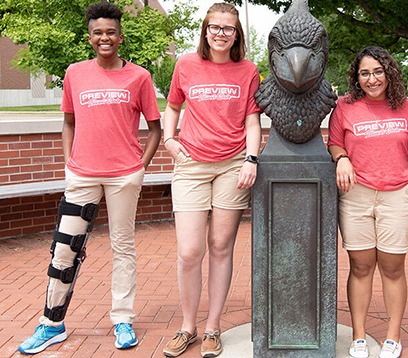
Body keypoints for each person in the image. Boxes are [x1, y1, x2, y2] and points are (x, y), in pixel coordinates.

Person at [17, 1, 162, 354]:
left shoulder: (139, 77)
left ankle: (123, 319)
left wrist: (139, 167)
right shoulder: (75, 73)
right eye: (98, 32)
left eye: (111, 32)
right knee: (63, 250)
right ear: (90, 37)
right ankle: (52, 324)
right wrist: (70, 162)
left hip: (124, 176)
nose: (104, 38)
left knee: (122, 247)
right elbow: (68, 122)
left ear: (120, 37)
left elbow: (155, 129)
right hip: (81, 175)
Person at [161, 3, 261, 357]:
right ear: (205, 30)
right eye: (214, 28)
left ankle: (212, 328)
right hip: (190, 165)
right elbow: (173, 106)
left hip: (233, 165)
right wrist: (170, 141)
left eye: (228, 29)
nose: (221, 34)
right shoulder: (186, 64)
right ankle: (187, 326)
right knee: (189, 251)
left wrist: (251, 158)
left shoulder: (248, 70)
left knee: (221, 247)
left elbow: (252, 119)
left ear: (237, 34)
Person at [328, 46, 408, 358]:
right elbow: (335, 142)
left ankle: (393, 337)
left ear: (389, 72)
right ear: (357, 77)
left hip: (398, 194)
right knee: (361, 266)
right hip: (356, 195)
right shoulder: (345, 106)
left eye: (378, 71)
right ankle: (359, 336)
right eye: (365, 73)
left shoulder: (406, 107)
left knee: (393, 267)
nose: (372, 78)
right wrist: (342, 159)